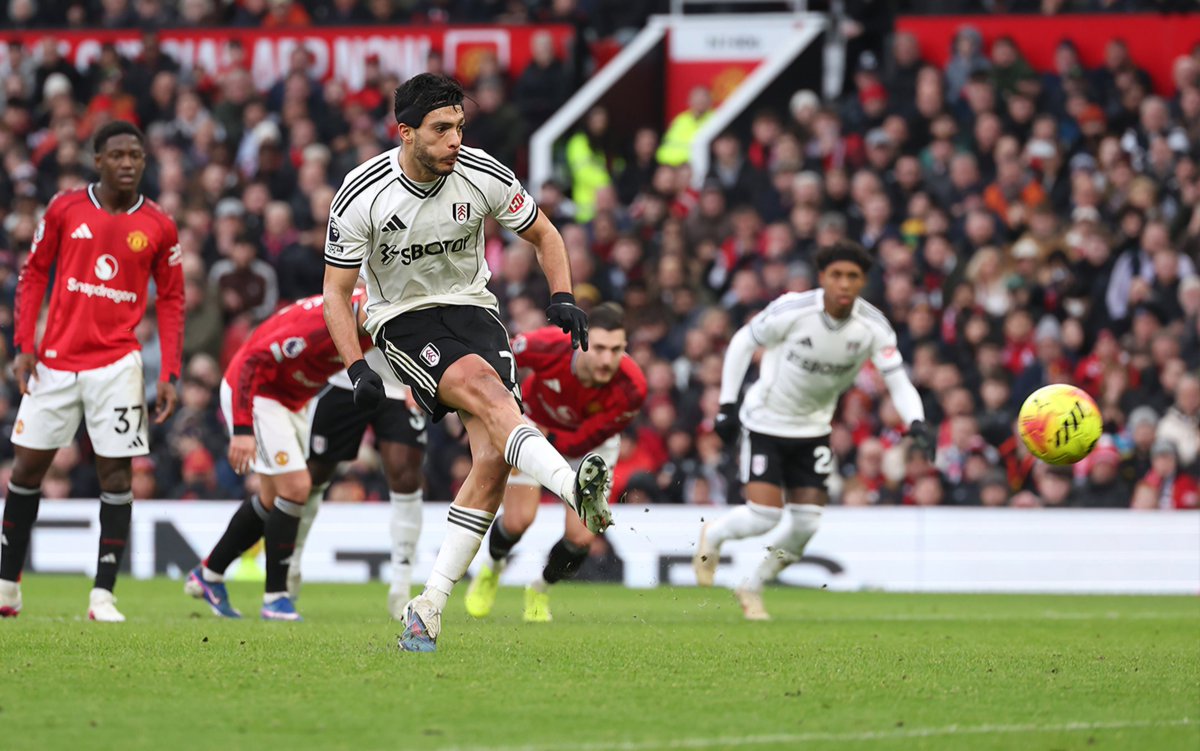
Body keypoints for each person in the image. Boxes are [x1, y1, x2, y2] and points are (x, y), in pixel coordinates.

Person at [321, 73, 613, 652]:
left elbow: (546, 234)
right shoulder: (363, 193)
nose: (455, 139)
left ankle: (428, 605)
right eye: (441, 129)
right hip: (403, 318)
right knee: (485, 390)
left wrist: (562, 296)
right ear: (405, 132)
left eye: (459, 126)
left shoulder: (483, 173)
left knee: (492, 458)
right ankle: (570, 485)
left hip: (474, 309)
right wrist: (356, 366)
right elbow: (336, 293)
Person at [0, 121, 184, 622]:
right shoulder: (64, 208)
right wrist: (23, 344)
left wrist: (168, 371)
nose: (128, 163)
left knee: (117, 472)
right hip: (55, 363)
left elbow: (171, 299)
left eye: (136, 155)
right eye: (118, 154)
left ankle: (103, 595)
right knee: (27, 470)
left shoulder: (160, 225)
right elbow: (34, 271)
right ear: (97, 159)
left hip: (118, 365)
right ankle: (7, 586)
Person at [693, 241, 934, 620]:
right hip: (765, 422)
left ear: (862, 282)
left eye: (852, 276)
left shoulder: (873, 328)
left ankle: (752, 585)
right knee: (764, 516)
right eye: (836, 275)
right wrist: (727, 404)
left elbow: (898, 381)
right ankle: (717, 534)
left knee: (807, 524)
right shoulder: (793, 309)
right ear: (822, 278)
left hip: (814, 430)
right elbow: (743, 341)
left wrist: (916, 421)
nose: (843, 283)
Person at [184, 290, 373, 622]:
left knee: (272, 498)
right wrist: (242, 429)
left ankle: (209, 574)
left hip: (289, 400)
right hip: (258, 393)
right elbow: (249, 360)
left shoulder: (373, 316)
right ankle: (275, 598)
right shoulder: (315, 327)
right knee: (297, 487)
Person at [464, 303, 646, 622]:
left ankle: (540, 587)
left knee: (582, 537)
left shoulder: (633, 389)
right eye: (600, 348)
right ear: (583, 339)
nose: (607, 359)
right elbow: (500, 355)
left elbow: (584, 440)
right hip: (535, 424)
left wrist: (547, 440)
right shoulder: (549, 344)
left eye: (616, 350)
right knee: (518, 520)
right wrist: (507, 407)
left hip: (589, 446)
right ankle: (491, 570)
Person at [288, 345, 429, 620]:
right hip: (345, 377)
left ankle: (401, 586)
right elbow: (335, 306)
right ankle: (290, 565)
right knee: (313, 475)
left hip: (402, 383)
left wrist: (423, 374)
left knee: (407, 476)